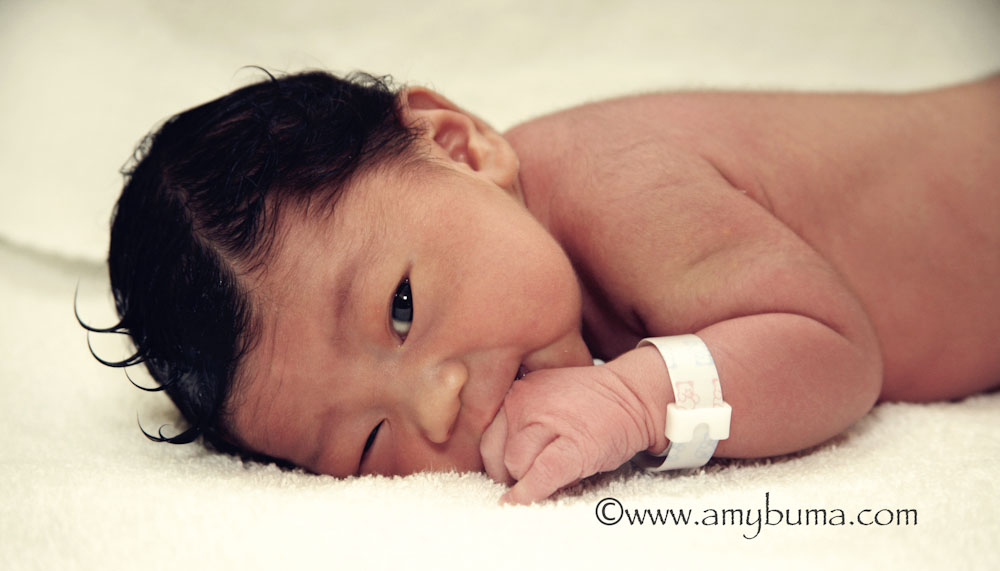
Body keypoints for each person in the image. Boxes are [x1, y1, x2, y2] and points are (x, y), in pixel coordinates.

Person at [83, 70, 1000, 505]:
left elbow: (837, 352)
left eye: (401, 307)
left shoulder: (616, 185)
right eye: (367, 443)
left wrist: (637, 398)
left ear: (459, 149)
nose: (437, 406)